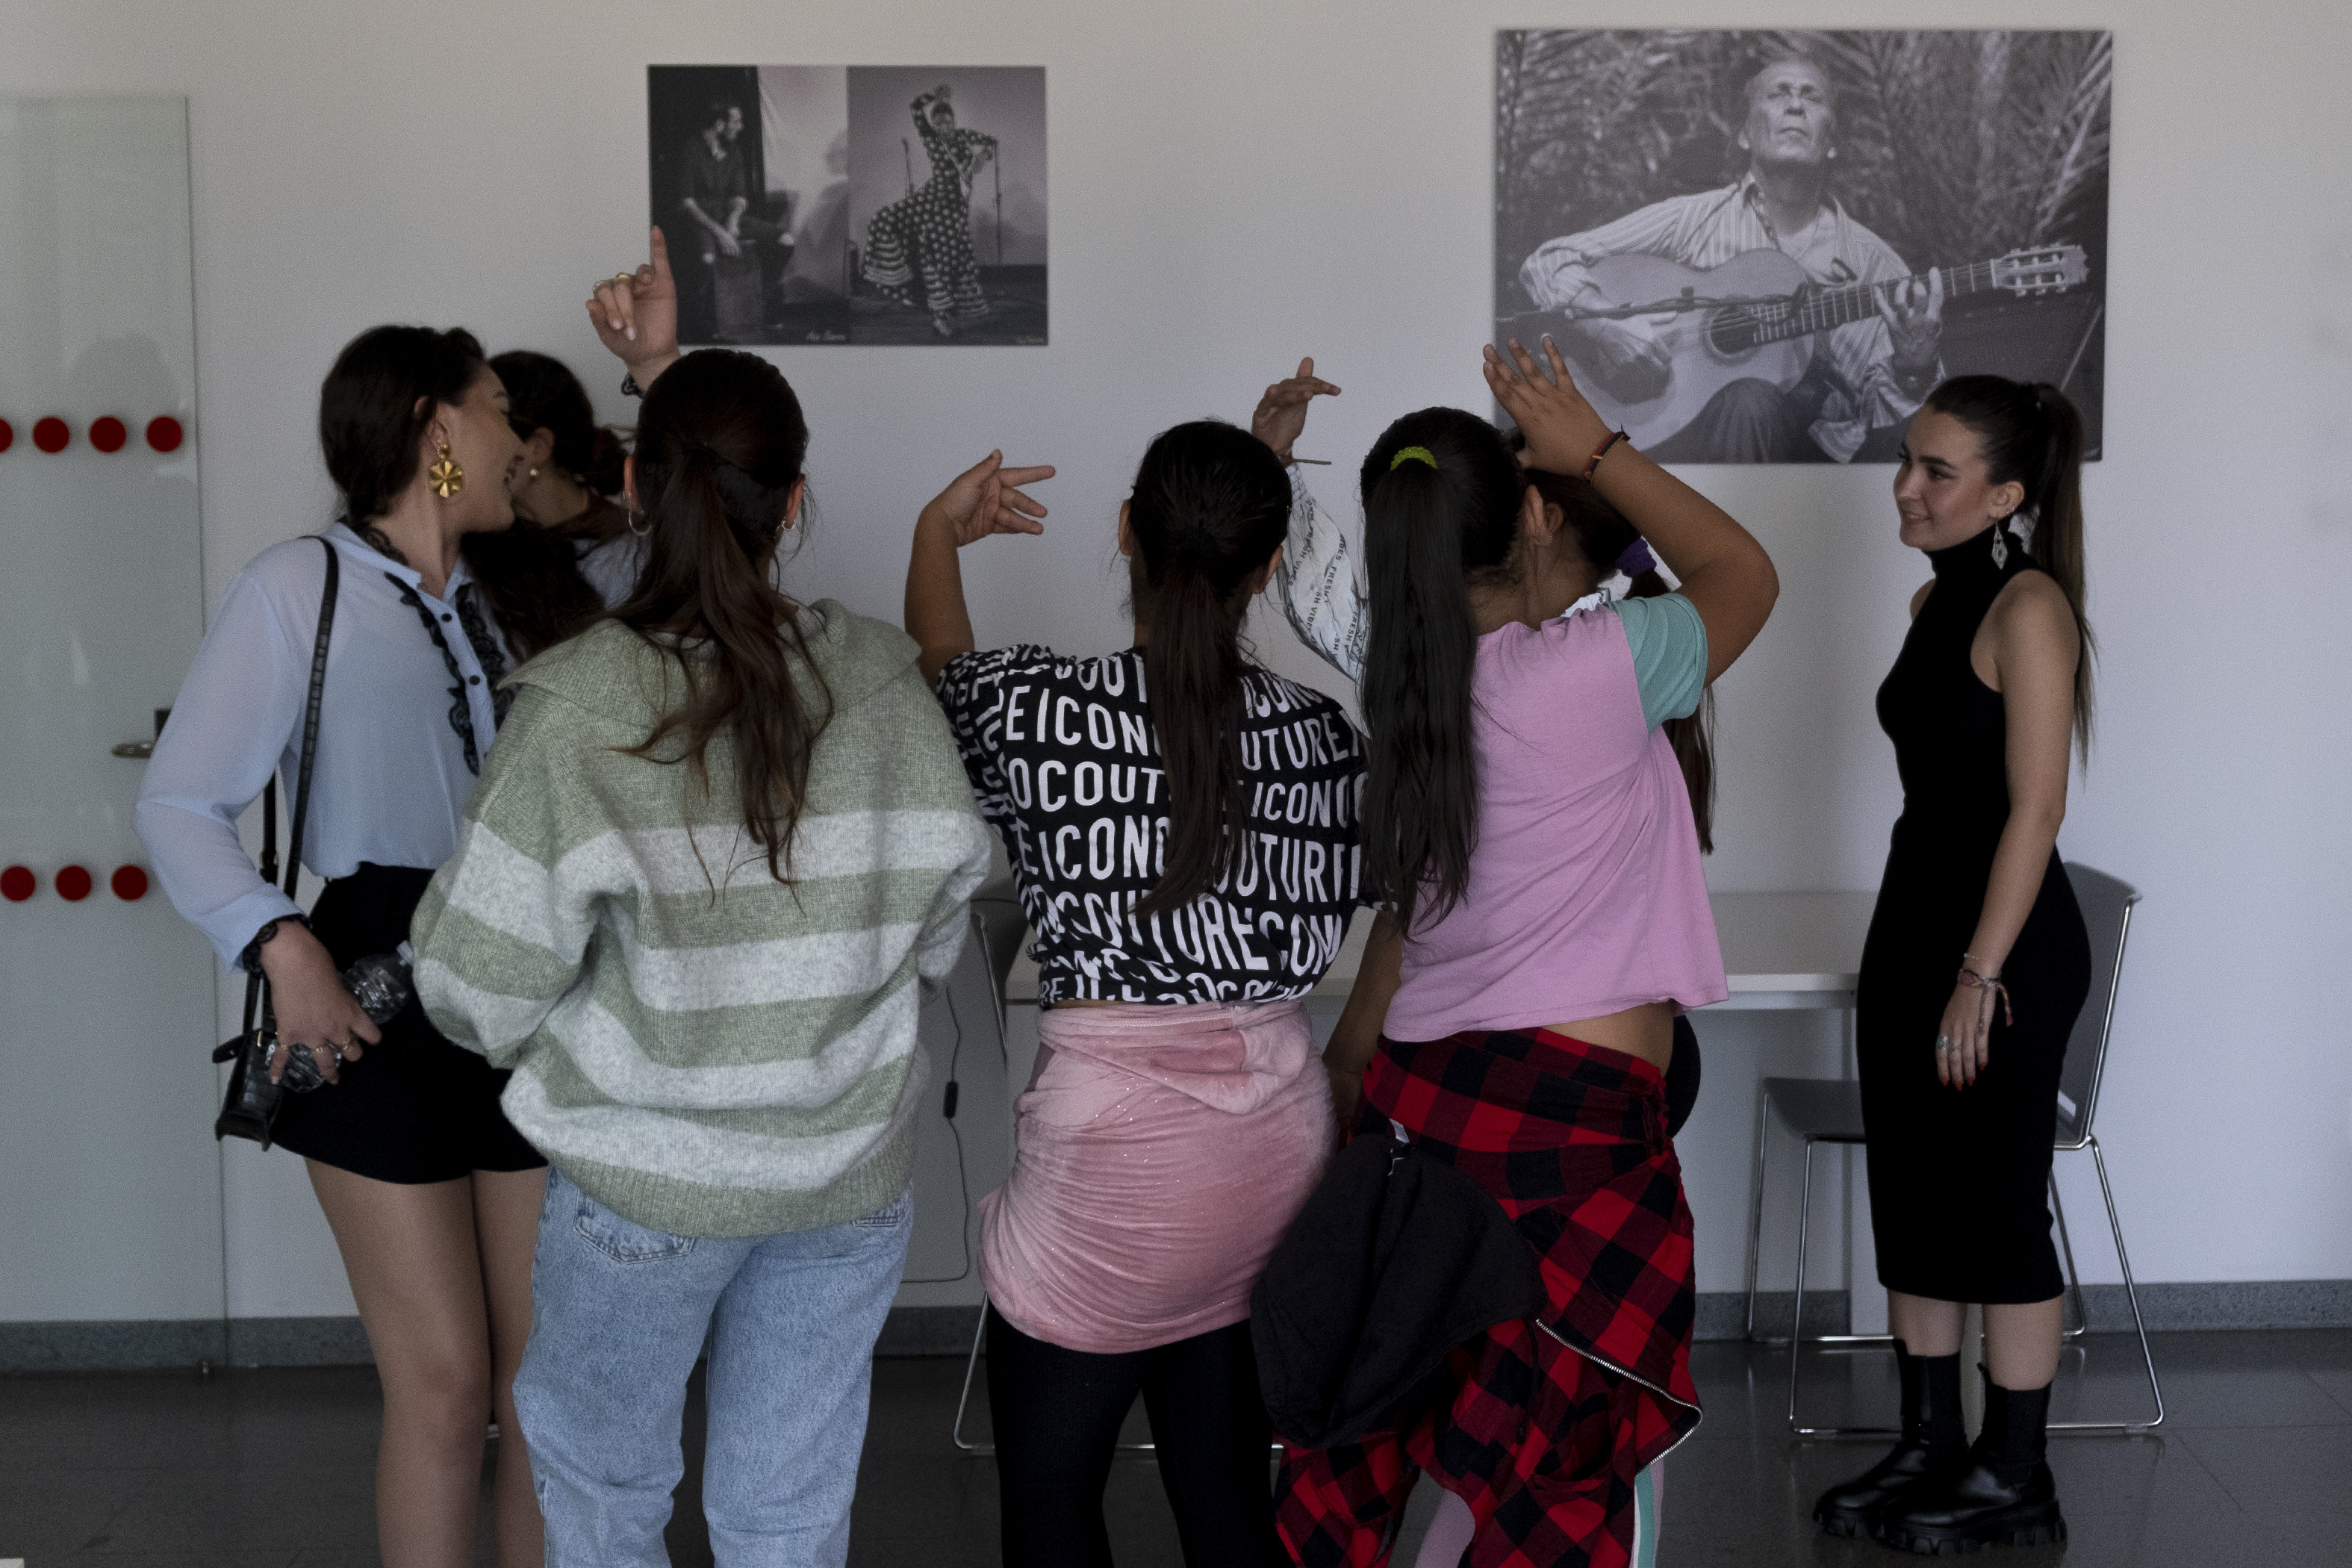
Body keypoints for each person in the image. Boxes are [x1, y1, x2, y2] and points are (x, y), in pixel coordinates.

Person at [413, 243, 992, 1564]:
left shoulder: (582, 707)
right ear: (792, 504)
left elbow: (473, 988)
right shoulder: (885, 688)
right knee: (787, 1509)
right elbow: (944, 912)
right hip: (844, 1176)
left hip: (647, 1186)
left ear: (627, 478)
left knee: (606, 1494)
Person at [1267, 340, 1778, 1568]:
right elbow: (1743, 574)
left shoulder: (1405, 687)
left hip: (1428, 1101)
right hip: (1570, 1126)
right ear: (1539, 515)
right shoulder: (1587, 671)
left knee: (1443, 1421)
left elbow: (1411, 908)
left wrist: (1345, 1060)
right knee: (1553, 1447)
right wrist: (1598, 445)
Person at [908, 399, 1379, 1564]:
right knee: (1226, 1505)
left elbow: (939, 662)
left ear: (1123, 529)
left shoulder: (1036, 709)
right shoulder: (1324, 738)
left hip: (1110, 1169)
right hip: (1272, 1155)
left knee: (1053, 1508)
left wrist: (934, 532)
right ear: (1269, 570)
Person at [134, 326, 548, 1568]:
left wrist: (655, 359)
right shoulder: (296, 586)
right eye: (493, 411)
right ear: (434, 430)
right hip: (375, 984)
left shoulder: (507, 592)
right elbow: (176, 801)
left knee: (546, 1385)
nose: (516, 443)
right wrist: (280, 944)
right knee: (442, 1387)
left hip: (524, 979)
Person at [1812, 376, 2094, 1554]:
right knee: (1914, 1189)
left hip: (2001, 947)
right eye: (1906, 460)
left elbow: (2032, 811)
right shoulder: (1940, 596)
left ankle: (2013, 1473)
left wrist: (1979, 975)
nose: (1907, 487)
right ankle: (1931, 1444)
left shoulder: (2027, 608)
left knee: (1991, 1206)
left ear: (2006, 495)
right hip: (1914, 925)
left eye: (1936, 471)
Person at [1517, 54, 1943, 463]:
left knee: (1751, 399)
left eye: (1812, 98)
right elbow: (1548, 260)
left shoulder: (1873, 265)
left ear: (1831, 143)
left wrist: (1914, 366)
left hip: (1809, 465)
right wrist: (1605, 324)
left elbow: (1899, 424)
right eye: (1778, 94)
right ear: (1744, 135)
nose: (1795, 105)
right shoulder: (1694, 218)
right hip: (1678, 437)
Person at [461, 349, 632, 637]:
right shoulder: (473, 543)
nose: (465, 455)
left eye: (485, 433)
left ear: (537, 448)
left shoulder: (628, 554)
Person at [862, 85, 996, 337]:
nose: (943, 127)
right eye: (938, 123)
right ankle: (938, 317)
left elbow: (991, 143)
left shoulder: (964, 135)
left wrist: (983, 157)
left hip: (956, 207)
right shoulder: (931, 139)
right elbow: (915, 107)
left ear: (953, 121)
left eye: (947, 122)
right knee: (894, 223)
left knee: (952, 260)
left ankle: (943, 315)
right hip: (933, 201)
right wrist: (934, 96)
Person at [676, 98, 791, 338]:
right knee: (707, 260)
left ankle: (763, 303)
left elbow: (740, 196)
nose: (740, 127)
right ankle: (702, 330)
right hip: (700, 220)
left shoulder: (734, 151)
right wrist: (719, 232)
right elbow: (688, 202)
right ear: (720, 125)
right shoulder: (691, 149)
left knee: (786, 242)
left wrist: (733, 221)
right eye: (736, 121)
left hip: (728, 218)